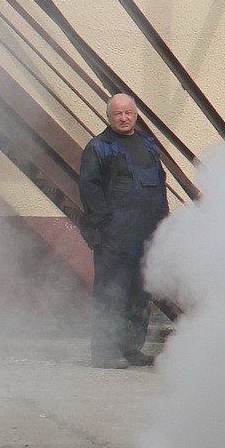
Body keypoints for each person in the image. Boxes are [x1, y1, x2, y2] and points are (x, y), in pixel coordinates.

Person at [78, 93, 169, 370]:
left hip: (147, 233)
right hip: (115, 236)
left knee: (139, 293)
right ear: (108, 117)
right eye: (117, 113)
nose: (124, 118)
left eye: (128, 112)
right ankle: (105, 353)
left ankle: (131, 348)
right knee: (111, 294)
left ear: (136, 114)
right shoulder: (98, 147)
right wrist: (106, 226)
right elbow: (89, 189)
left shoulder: (148, 144)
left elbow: (160, 183)